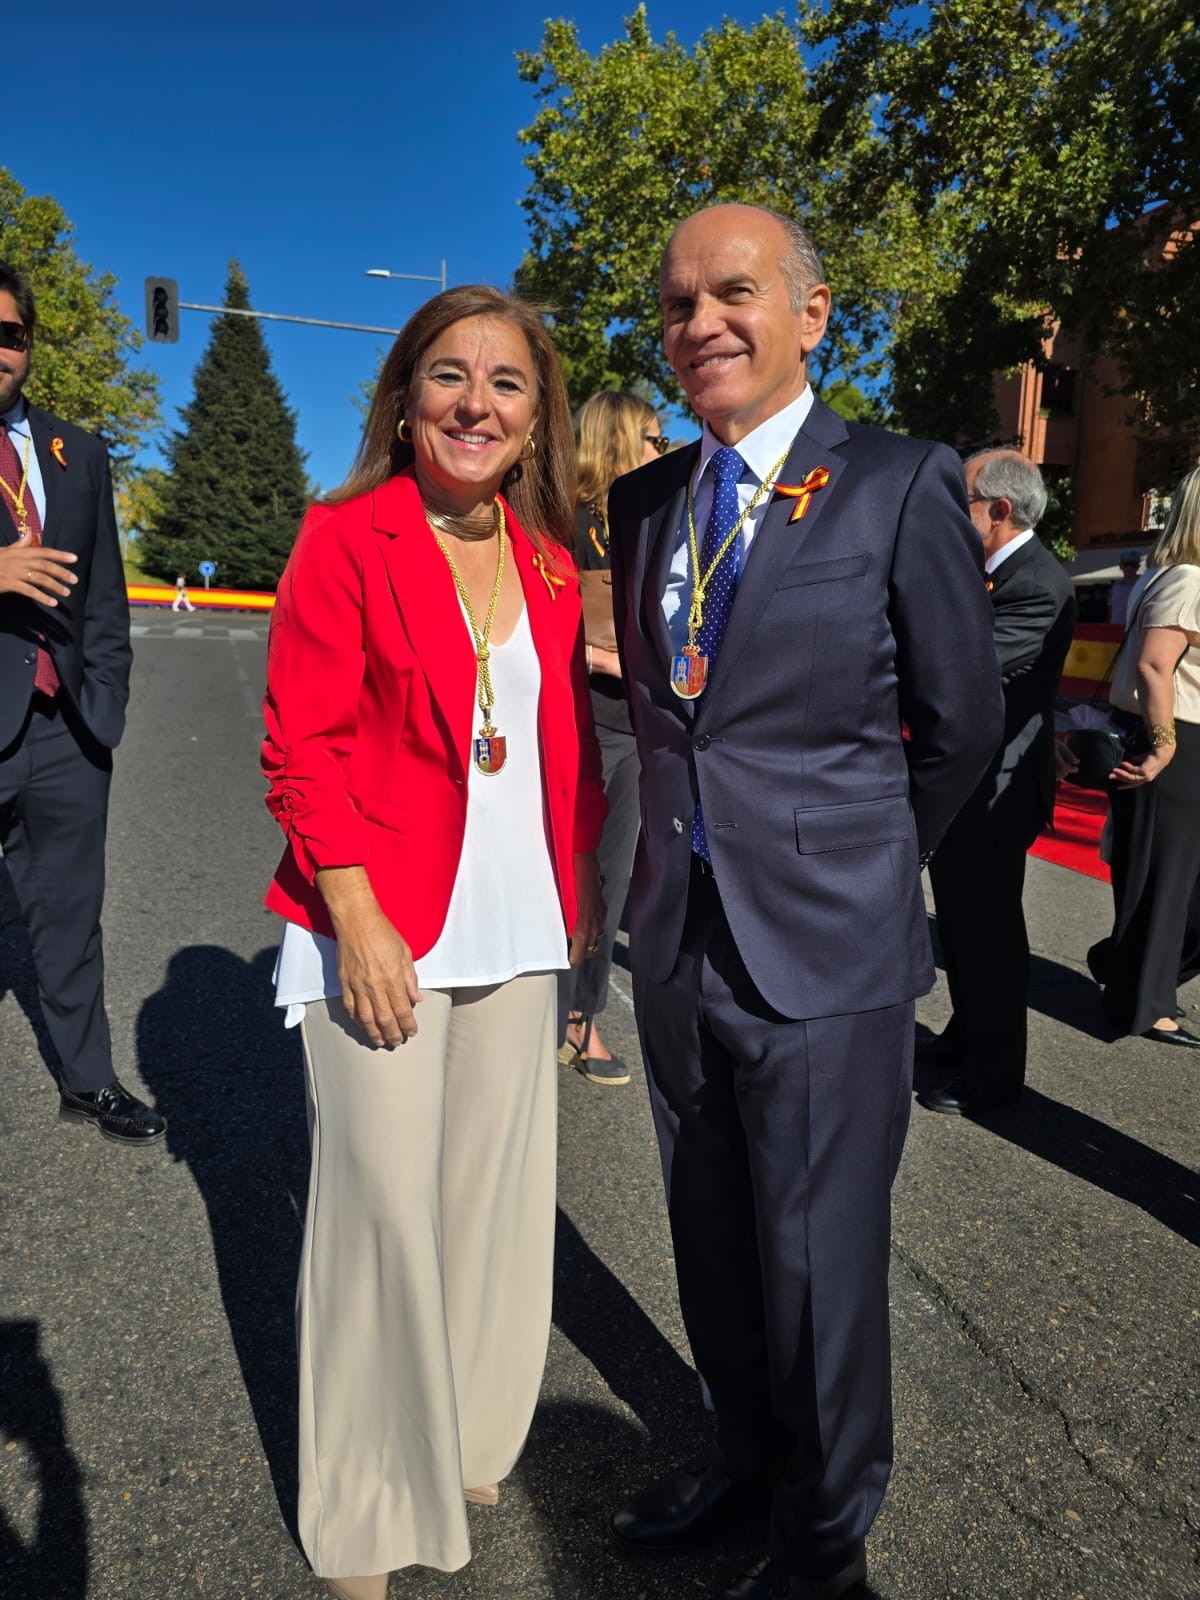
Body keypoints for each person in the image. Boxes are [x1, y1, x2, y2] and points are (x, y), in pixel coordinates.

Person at [605, 205, 1003, 1600]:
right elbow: (663, 726)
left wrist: (869, 862)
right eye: (675, 305)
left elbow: (961, 726)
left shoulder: (899, 482)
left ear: (813, 313)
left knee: (821, 1265)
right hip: (679, 944)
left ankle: (826, 1540)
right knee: (712, 1241)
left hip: (828, 955)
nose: (700, 323)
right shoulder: (645, 501)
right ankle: (745, 1462)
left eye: (734, 293)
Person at [261, 284, 606, 1600]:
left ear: (534, 419)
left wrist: (581, 916)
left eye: (506, 383)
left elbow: (561, 751)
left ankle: (464, 1432)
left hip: (520, 918)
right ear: (405, 402)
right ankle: (362, 1509)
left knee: (491, 1199)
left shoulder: (551, 565)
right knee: (378, 1215)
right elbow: (300, 740)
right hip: (381, 917)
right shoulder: (345, 535)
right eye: (450, 377)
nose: (477, 402)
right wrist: (352, 911)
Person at [0, 260, 165, 1144]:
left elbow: (105, 594)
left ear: (28, 345)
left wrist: (106, 703)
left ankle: (89, 1080)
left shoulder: (78, 452)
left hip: (65, 726)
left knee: (69, 914)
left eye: (10, 333)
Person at [918, 450, 1077, 1115]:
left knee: (988, 935)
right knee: (961, 925)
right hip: (975, 782)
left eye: (962, 503)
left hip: (996, 787)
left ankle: (993, 1074)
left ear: (999, 511)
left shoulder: (1036, 581)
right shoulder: (1000, 573)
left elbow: (966, 669)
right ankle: (969, 1033)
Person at [558, 390, 666, 1085]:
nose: (661, 449)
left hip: (636, 724)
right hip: (575, 713)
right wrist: (609, 659)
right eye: (653, 438)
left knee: (614, 876)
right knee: (557, 868)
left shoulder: (654, 523)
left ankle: (581, 1020)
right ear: (619, 440)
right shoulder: (560, 522)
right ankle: (535, 1010)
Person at [1087, 468, 1200, 1047]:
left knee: (1167, 879)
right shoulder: (1187, 579)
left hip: (1174, 740)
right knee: (1164, 880)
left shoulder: (1166, 576)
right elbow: (1155, 665)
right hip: (1175, 740)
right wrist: (1164, 745)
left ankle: (1127, 971)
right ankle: (1146, 1003)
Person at [1108, 550, 1142, 627]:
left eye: (1133, 565)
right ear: (1121, 566)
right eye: (1126, 564)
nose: (1130, 567)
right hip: (1115, 629)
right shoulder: (1115, 586)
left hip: (1135, 631)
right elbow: (1111, 609)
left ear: (1138, 567)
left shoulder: (1144, 585)